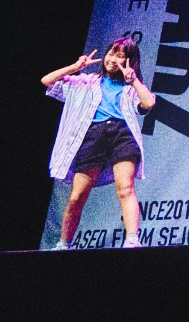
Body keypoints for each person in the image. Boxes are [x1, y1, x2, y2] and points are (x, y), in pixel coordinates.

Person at [42, 36, 157, 249]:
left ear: (130, 61)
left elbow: (148, 102)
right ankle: (64, 244)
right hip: (93, 136)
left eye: (120, 56)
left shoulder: (130, 88)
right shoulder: (86, 81)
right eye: (111, 53)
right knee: (77, 196)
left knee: (125, 187)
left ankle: (132, 239)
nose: (113, 59)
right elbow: (47, 81)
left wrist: (134, 80)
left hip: (122, 135)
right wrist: (76, 67)